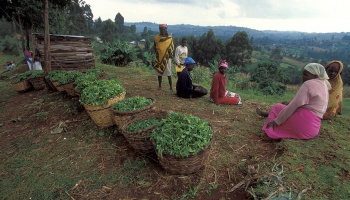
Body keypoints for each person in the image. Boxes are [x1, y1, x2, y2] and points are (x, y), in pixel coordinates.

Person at [256, 63, 331, 140]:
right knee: (284, 109)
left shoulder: (309, 84)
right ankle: (269, 116)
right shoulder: (325, 84)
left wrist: (276, 121)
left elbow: (293, 105)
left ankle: (269, 132)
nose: (303, 77)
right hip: (312, 131)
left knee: (277, 107)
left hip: (302, 126)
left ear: (315, 75)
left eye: (306, 75)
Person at [153, 24, 174, 90]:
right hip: (159, 57)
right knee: (159, 73)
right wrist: (157, 53)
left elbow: (172, 47)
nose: (162, 30)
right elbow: (155, 46)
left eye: (164, 29)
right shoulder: (157, 37)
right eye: (161, 29)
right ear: (159, 29)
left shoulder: (170, 38)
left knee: (168, 73)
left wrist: (170, 54)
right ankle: (160, 86)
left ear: (166, 29)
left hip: (167, 58)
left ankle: (171, 87)